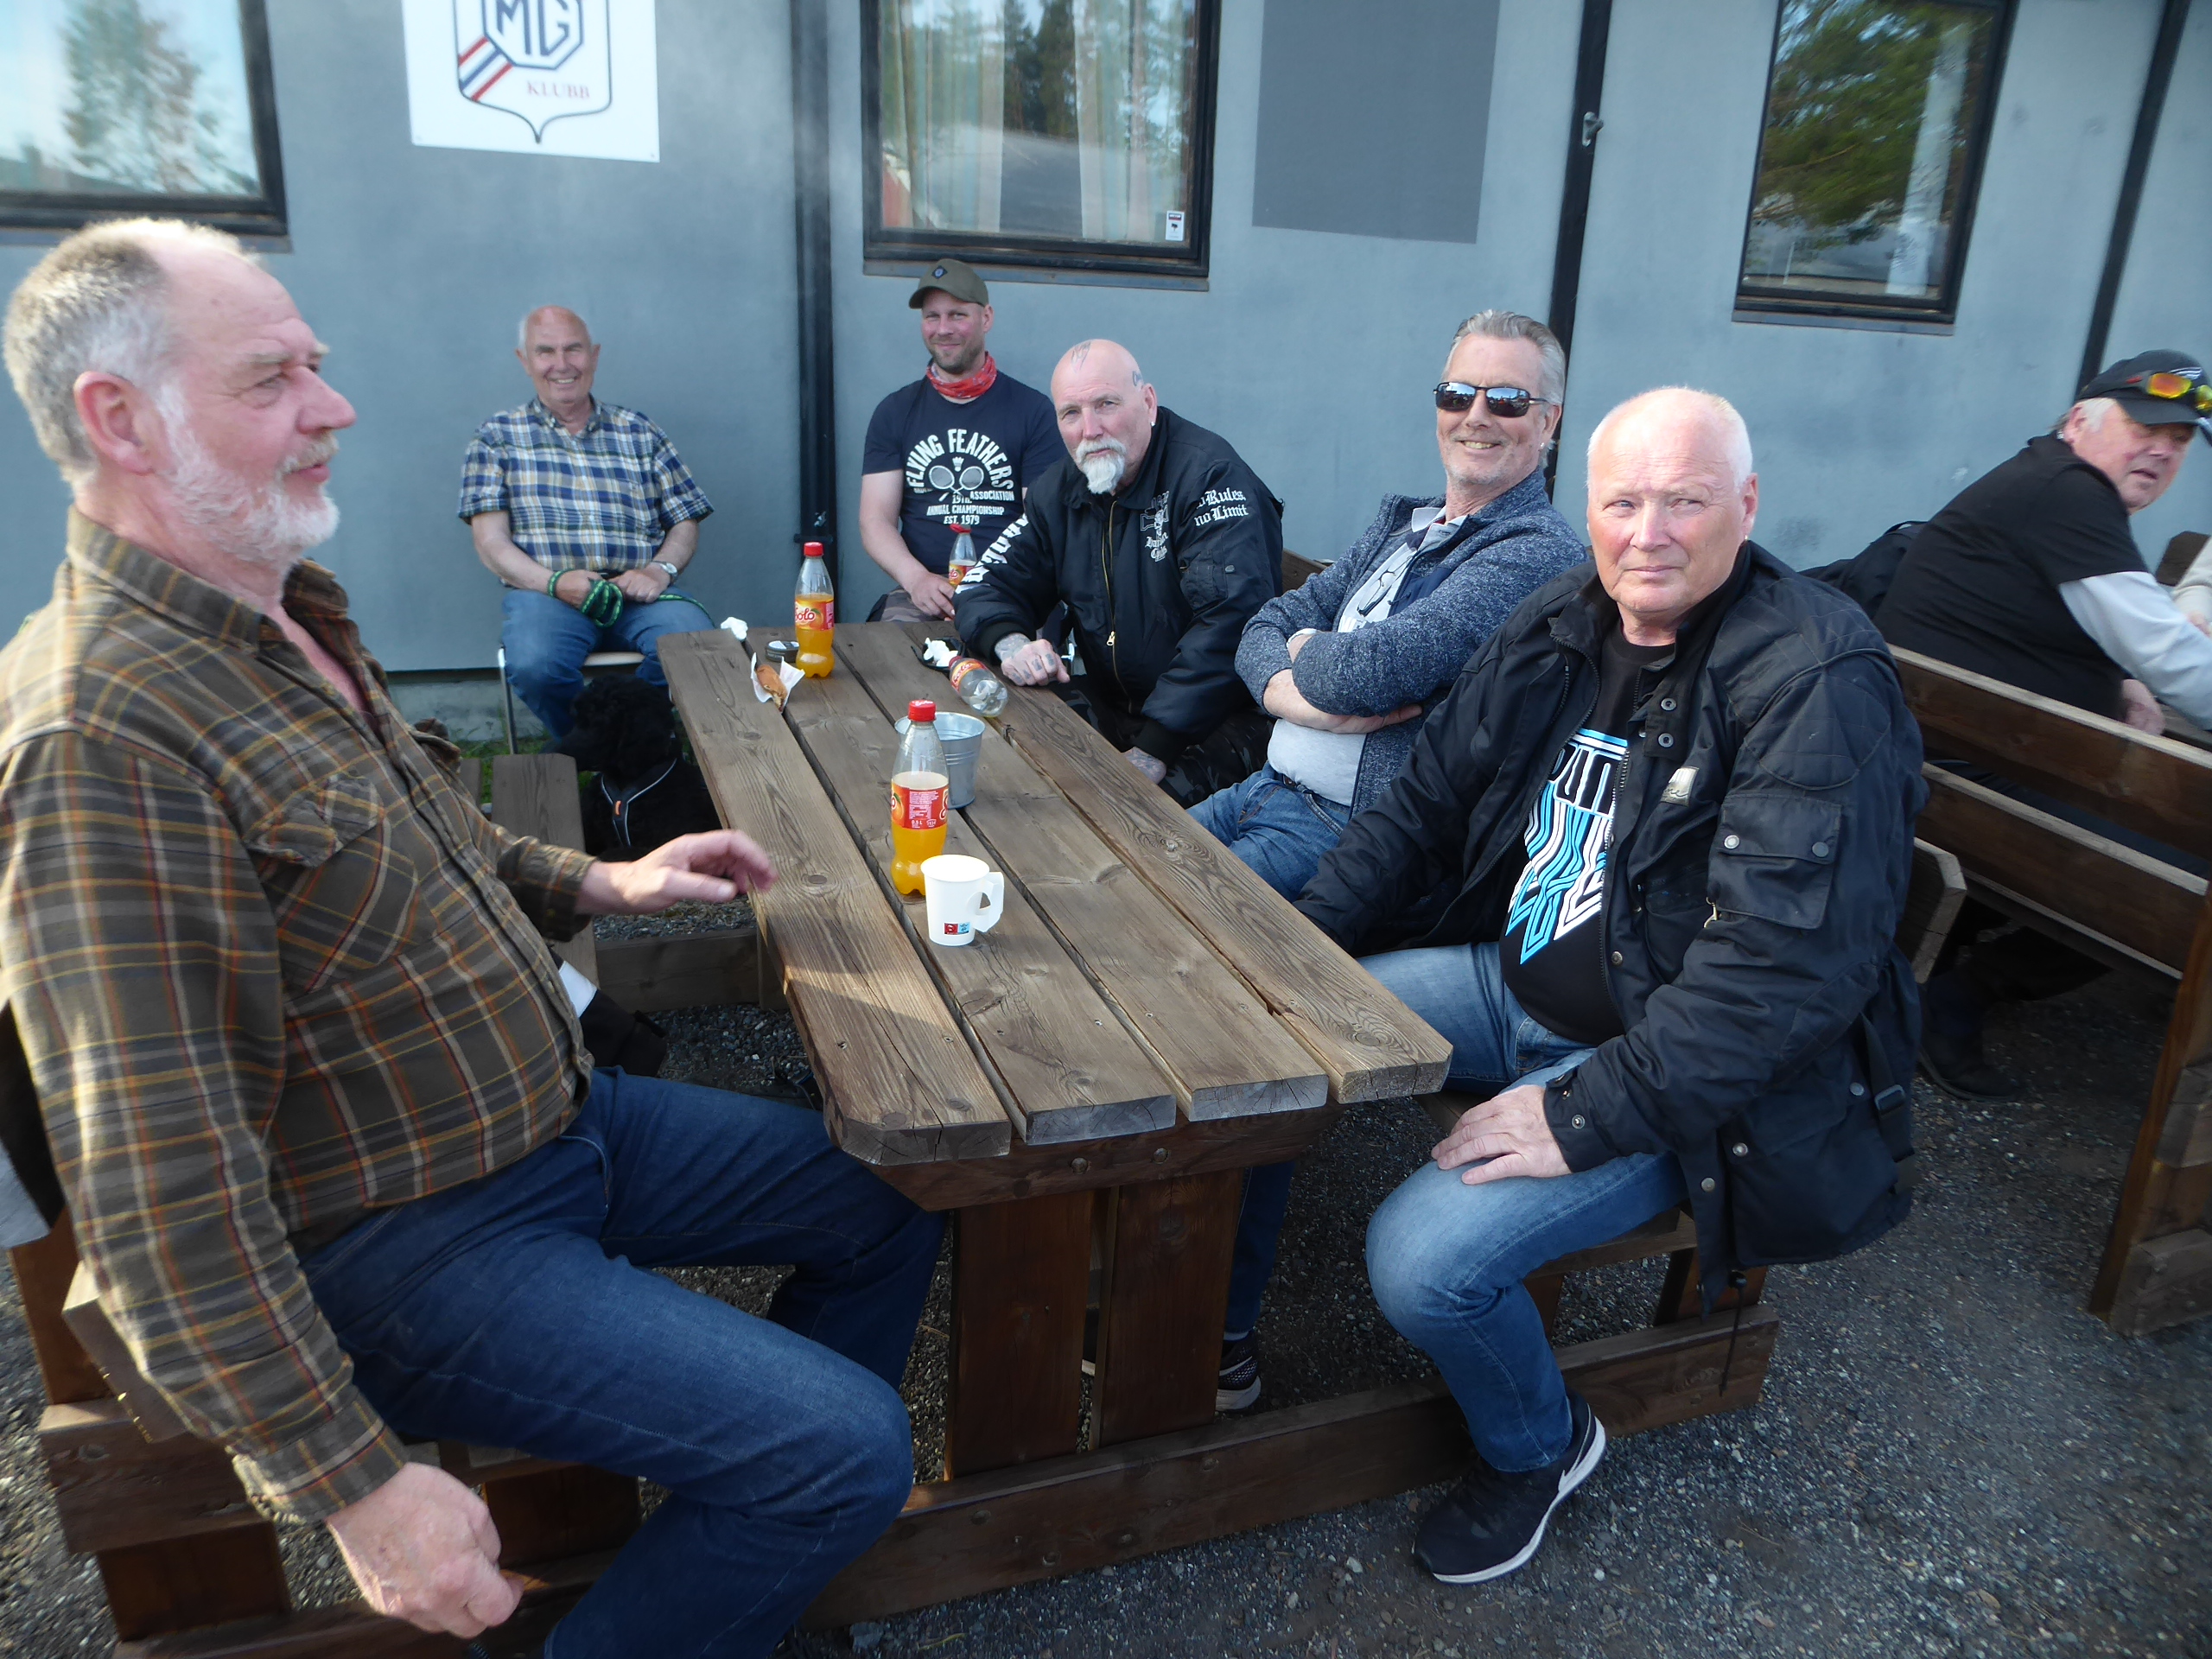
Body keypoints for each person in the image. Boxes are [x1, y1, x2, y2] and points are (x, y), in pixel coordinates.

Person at [0, 219, 939, 1659]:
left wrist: (603, 880)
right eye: (271, 379)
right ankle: (777, 1505)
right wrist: (355, 1490)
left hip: (557, 1124)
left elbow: (440, 837)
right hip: (407, 1241)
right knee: (850, 1449)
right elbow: (159, 1192)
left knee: (888, 1194)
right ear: (117, 420)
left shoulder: (279, 617)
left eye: (314, 365)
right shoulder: (103, 736)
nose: (334, 406)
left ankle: (741, 1560)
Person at [1300, 388, 1923, 1586]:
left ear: (1747, 505)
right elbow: (1423, 804)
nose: (1648, 533)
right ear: (1583, 507)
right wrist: (1299, 952)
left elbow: (1780, 975)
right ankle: (1222, 1342)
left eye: (1684, 501)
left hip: (1674, 1077)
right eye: (1623, 501)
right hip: (1506, 985)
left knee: (1423, 1266)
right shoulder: (1562, 618)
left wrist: (1581, 1114)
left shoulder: (1815, 675)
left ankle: (1540, 1447)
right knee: (1284, 1041)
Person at [1193, 310, 1586, 1411]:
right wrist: (1296, 685)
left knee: (1229, 1018)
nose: (1476, 416)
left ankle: (1216, 1330)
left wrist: (1311, 668)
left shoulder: (1536, 553)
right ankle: (1114, 1205)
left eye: (1507, 399)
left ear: (1549, 423)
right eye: (1458, 393)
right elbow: (1268, 625)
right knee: (1111, 904)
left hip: (1352, 835)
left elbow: (1377, 670)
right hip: (1265, 789)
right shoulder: (1404, 522)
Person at [1875, 349, 2212, 1098]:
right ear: (2079, 421)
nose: (2162, 449)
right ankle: (1966, 994)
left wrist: (2121, 677)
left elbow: (2097, 628)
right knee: (2188, 870)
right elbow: (2175, 659)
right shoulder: (2070, 492)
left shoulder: (2044, 480)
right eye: (2145, 426)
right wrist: (2143, 670)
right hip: (1984, 787)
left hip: (1953, 764)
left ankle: (1956, 968)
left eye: (2181, 439)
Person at [954, 339, 1281, 806]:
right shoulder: (1062, 488)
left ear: (1147, 402)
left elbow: (1232, 623)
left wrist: (1154, 748)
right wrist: (1013, 645)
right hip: (1118, 708)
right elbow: (985, 583)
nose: (1090, 429)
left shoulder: (1209, 477)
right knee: (1007, 743)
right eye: (1071, 413)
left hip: (1218, 722)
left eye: (1106, 404)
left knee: (1123, 812)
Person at [461, 305, 715, 741]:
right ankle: (607, 751)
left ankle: (626, 747)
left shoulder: (640, 431)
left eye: (573, 349)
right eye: (545, 351)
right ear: (524, 360)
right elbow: (490, 543)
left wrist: (659, 571)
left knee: (697, 647)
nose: (562, 364)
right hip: (546, 595)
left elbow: (685, 520)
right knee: (536, 665)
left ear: (594, 355)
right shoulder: (496, 437)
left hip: (638, 593)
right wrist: (554, 583)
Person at [858, 257, 1058, 623]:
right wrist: (916, 579)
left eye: (957, 315)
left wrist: (996, 585)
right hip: (922, 592)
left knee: (1024, 655)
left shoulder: (1034, 411)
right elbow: (875, 520)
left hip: (1010, 587)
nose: (943, 329)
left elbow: (1041, 522)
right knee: (892, 651)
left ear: (986, 318)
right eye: (932, 316)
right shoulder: (894, 412)